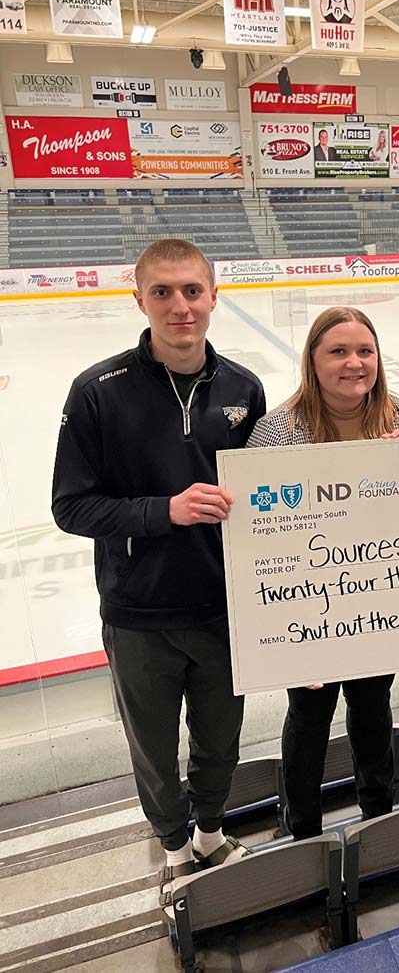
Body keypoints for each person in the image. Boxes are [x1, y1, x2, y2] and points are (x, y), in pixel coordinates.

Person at [51, 238, 266, 913]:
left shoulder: (242, 388)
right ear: (138, 297)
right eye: (164, 292)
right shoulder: (96, 392)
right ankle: (174, 848)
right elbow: (70, 505)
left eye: (192, 291)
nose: (181, 306)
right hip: (138, 614)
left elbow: (271, 497)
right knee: (151, 745)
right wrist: (160, 511)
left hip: (221, 610)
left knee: (220, 739)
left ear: (213, 294)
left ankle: (209, 832)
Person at [246, 307, 399, 839]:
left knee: (373, 709)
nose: (354, 362)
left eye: (365, 351)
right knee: (309, 717)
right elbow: (262, 536)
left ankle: (380, 816)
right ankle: (300, 828)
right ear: (312, 360)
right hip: (311, 606)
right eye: (339, 352)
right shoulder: (277, 431)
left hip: (380, 600)